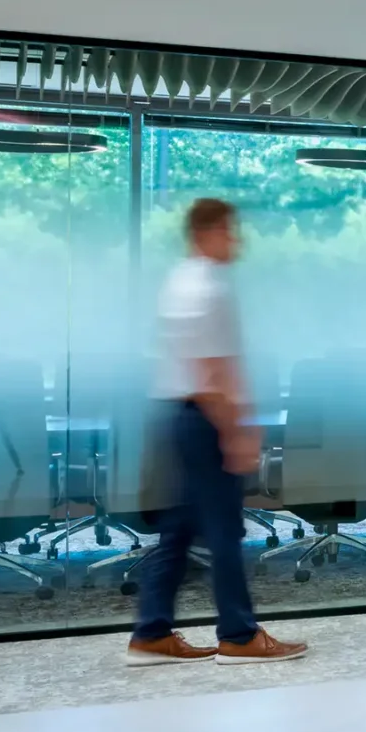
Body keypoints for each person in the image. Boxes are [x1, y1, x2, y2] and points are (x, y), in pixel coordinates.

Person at [127, 199, 308, 665]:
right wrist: (237, 431)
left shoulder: (180, 281)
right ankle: (238, 636)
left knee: (181, 527)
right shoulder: (209, 287)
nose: (237, 240)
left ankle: (150, 633)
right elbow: (213, 372)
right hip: (207, 416)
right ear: (207, 232)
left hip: (182, 415)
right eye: (230, 231)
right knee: (224, 529)